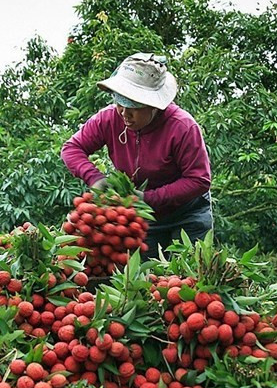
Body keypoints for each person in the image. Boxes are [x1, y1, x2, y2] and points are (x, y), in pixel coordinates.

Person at [61, 53, 213, 258]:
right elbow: (72, 149)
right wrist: (95, 178)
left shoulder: (182, 127)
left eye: (133, 108)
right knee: (148, 280)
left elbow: (199, 180)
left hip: (188, 214)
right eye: (120, 104)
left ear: (154, 106)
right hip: (143, 217)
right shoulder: (108, 119)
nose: (124, 114)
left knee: (188, 276)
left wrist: (149, 198)